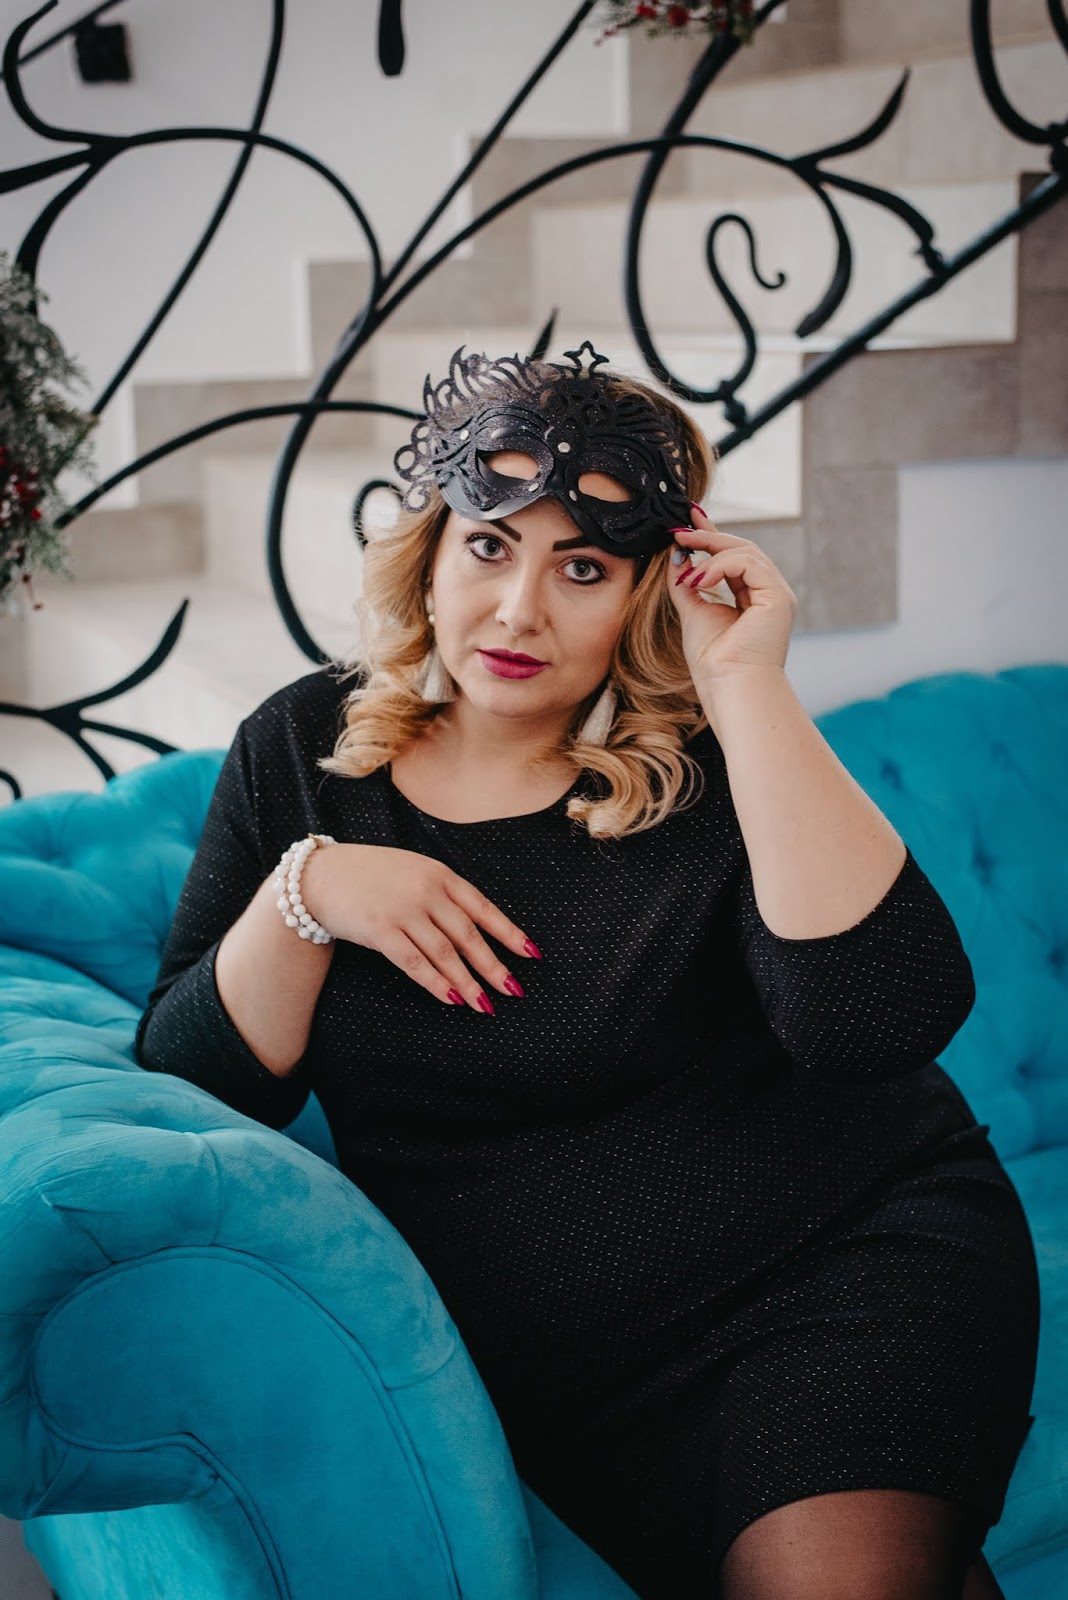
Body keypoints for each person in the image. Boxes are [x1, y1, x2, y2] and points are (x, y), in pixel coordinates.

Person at [135, 343, 1039, 1600]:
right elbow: (195, 1085)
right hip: (580, 1379)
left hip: (842, 1263)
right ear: (431, 553)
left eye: (583, 568)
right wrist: (312, 893)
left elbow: (879, 1021)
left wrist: (744, 682)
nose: (519, 611)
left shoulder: (709, 761)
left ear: (648, 588)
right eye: (490, 546)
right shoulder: (304, 751)